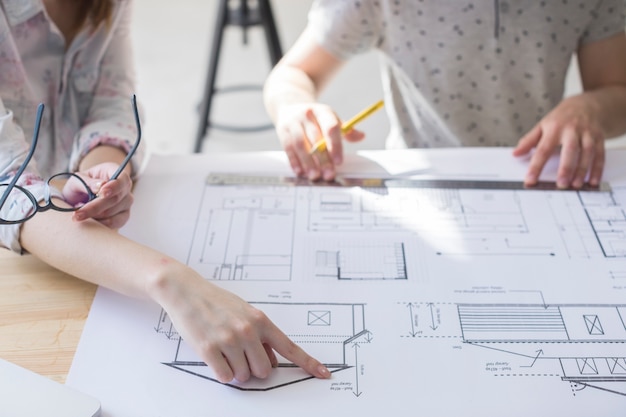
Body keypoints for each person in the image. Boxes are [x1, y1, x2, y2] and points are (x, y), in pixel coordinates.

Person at [0, 0, 330, 383]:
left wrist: (100, 172)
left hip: (63, 233)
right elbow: (8, 187)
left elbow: (112, 102)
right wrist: (170, 281)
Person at [263, 0, 626, 189]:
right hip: (418, 179)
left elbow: (617, 93)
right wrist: (295, 107)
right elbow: (292, 74)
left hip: (543, 178)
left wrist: (590, 107)